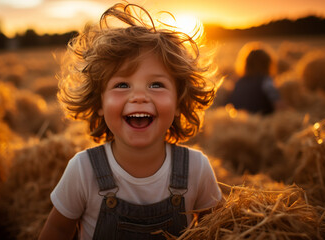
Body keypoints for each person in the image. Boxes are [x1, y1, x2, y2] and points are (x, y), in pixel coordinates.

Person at [39, 3, 222, 240]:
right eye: (122, 85)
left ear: (178, 102)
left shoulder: (196, 169)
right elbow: (55, 232)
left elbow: (220, 229)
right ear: (100, 103)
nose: (138, 96)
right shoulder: (83, 170)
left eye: (156, 84)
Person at [226, 42, 284, 115]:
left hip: (238, 119)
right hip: (259, 122)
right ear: (267, 63)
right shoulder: (266, 81)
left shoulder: (239, 82)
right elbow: (279, 106)